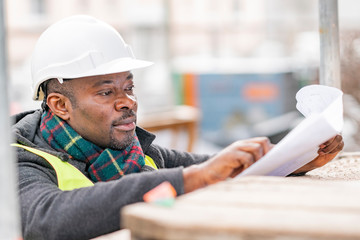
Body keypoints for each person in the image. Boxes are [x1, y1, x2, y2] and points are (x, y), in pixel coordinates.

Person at [12, 15, 344, 240]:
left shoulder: (138, 154)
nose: (127, 101)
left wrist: (294, 162)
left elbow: (215, 169)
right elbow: (47, 218)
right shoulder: (18, 162)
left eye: (129, 87)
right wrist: (188, 180)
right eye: (106, 91)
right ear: (60, 105)